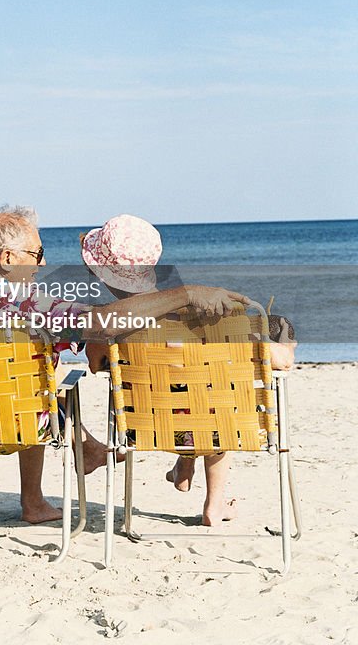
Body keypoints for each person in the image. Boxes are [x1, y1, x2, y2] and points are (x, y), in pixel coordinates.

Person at [0, 205, 259, 525]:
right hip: (20, 426)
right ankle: (51, 484)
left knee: (22, 384)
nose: (41, 263)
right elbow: (103, 323)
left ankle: (39, 497)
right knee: (33, 390)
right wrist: (185, 294)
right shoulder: (37, 306)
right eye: (36, 253)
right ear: (8, 258)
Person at [80, 214, 297, 527]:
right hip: (217, 428)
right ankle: (214, 503)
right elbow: (282, 361)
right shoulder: (215, 325)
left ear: (100, 273)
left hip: (146, 429)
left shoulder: (110, 330)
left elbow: (94, 363)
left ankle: (185, 464)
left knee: (186, 394)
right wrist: (285, 339)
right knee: (214, 393)